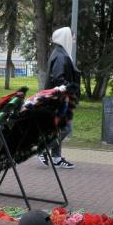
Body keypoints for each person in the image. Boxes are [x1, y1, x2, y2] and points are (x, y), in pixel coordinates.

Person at [38, 26, 79, 169]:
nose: (73, 42)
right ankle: (43, 149)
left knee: (59, 128)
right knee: (65, 128)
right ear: (66, 38)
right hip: (58, 99)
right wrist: (71, 87)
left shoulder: (60, 53)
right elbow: (58, 79)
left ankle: (56, 158)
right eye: (72, 39)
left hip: (59, 98)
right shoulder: (61, 56)